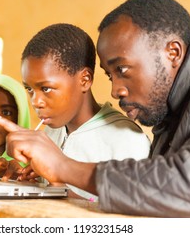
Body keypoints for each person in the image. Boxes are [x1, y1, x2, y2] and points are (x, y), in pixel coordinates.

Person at [0, 0, 190, 217]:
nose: (116, 90)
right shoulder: (173, 111)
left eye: (123, 69)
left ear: (172, 53)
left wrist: (63, 167)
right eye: (110, 75)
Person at [17, 23, 150, 201]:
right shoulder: (51, 131)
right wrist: (20, 179)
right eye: (30, 90)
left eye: (46, 89)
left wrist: (59, 190)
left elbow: (133, 217)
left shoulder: (127, 140)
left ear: (85, 80)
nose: (35, 102)